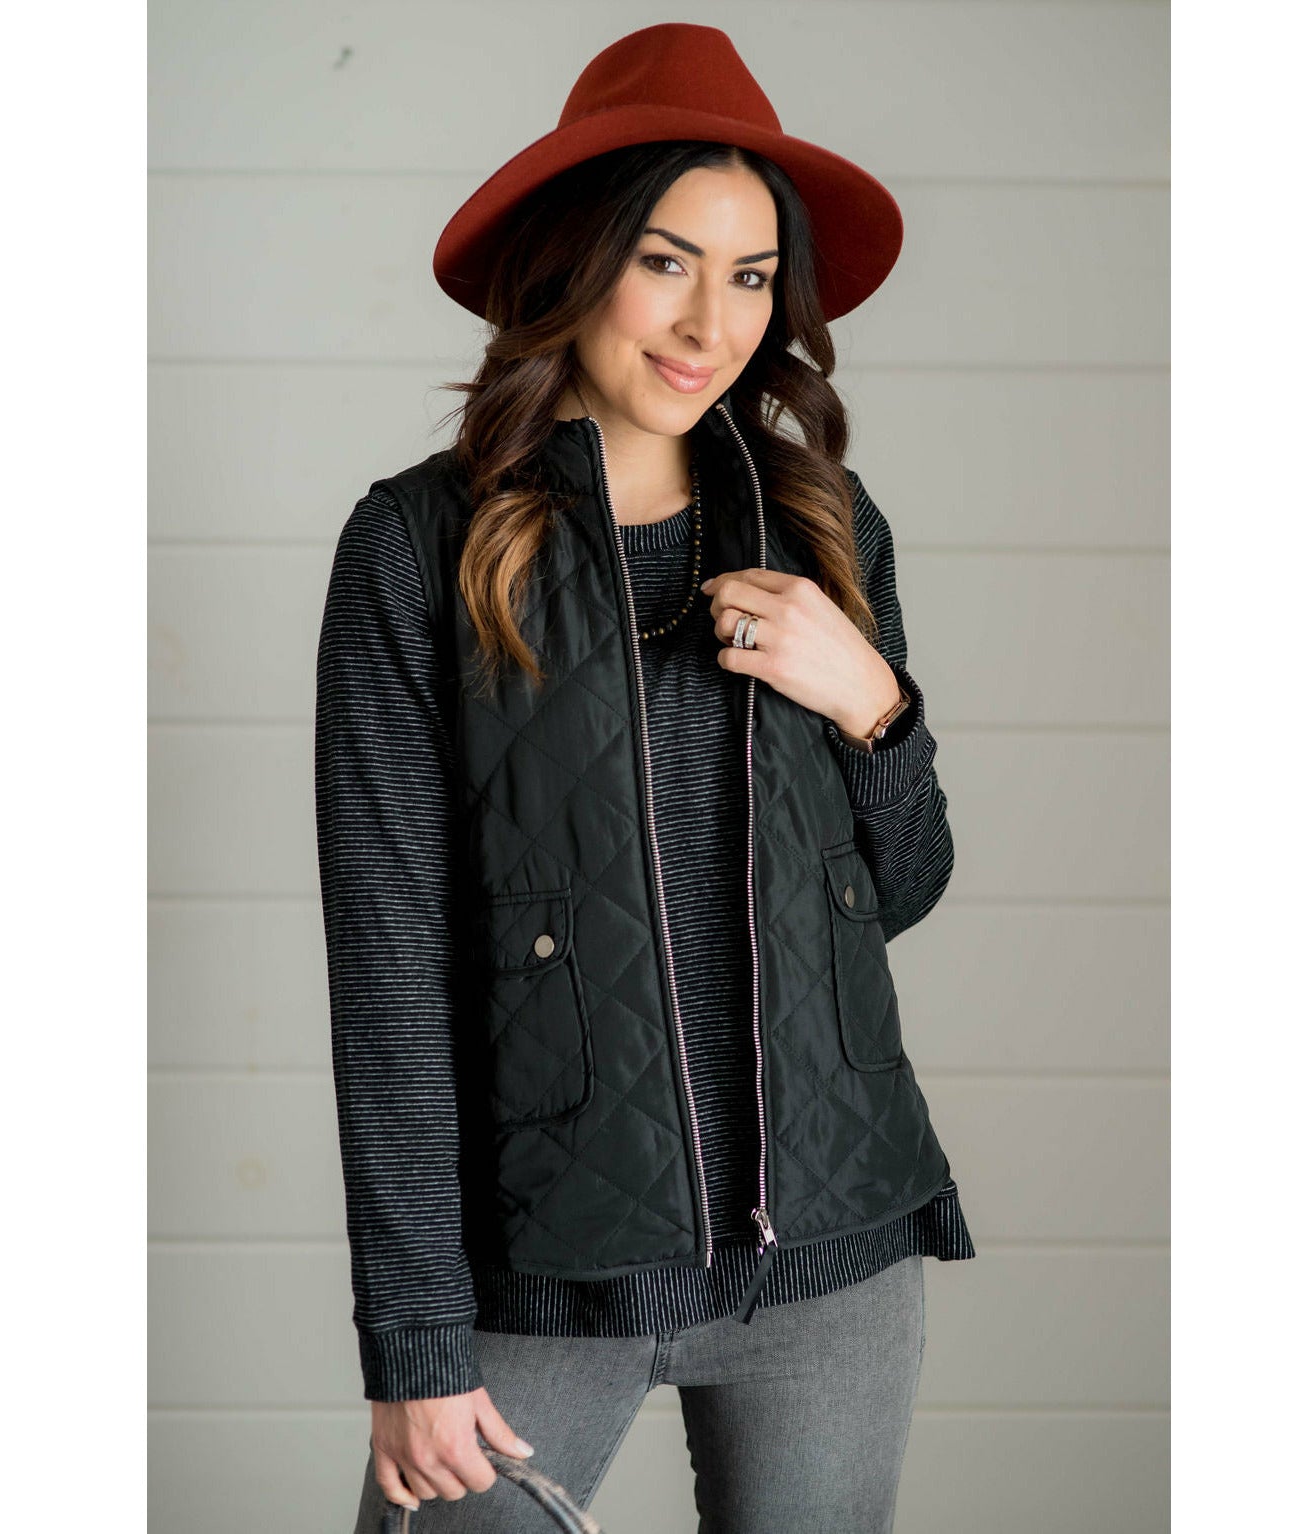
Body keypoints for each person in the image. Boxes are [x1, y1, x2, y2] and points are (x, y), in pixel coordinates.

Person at [314, 22, 976, 1533]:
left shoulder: (828, 524)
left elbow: (904, 889)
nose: (708, 322)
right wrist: (414, 1337)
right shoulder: (419, 548)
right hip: (546, 1269)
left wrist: (872, 704)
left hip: (835, 1259)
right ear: (575, 260)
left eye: (750, 276)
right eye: (665, 261)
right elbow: (391, 972)